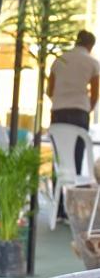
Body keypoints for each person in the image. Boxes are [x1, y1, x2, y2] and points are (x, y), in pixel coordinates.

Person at [47, 30, 99, 175]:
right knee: (76, 155)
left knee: (59, 156)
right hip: (79, 113)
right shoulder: (92, 62)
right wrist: (87, 110)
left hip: (58, 111)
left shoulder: (59, 60)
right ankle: (73, 194)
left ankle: (59, 195)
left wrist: (61, 100)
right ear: (90, 46)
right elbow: (95, 94)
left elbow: (49, 91)